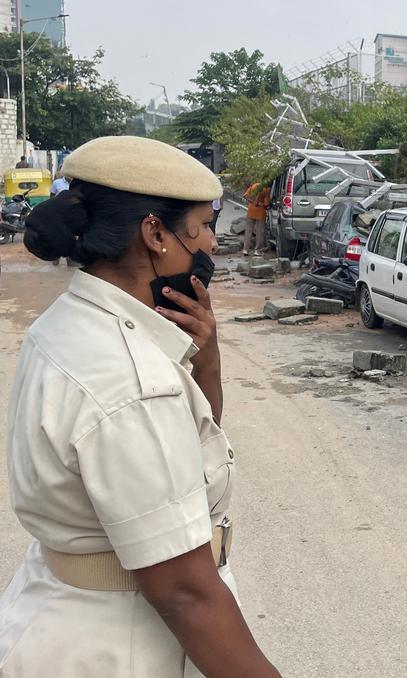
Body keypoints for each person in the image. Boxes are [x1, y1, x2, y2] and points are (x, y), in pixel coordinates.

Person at [1, 136, 279, 677]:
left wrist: (207, 360)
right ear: (155, 233)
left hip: (60, 616)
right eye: (201, 226)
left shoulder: (73, 321)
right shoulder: (131, 380)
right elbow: (184, 593)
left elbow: (188, 446)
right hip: (118, 647)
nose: (213, 245)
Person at [242, 182, 270, 256]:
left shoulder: (254, 186)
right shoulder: (266, 189)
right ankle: (257, 250)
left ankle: (245, 249)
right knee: (260, 231)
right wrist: (261, 204)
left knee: (248, 231)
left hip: (251, 210)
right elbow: (266, 203)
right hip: (260, 211)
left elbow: (245, 195)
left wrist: (253, 202)